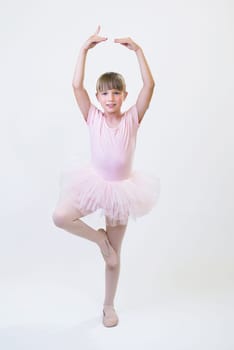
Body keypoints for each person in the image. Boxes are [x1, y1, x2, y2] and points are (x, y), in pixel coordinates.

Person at [52, 26, 160, 327]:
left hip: (123, 192)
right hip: (94, 185)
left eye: (116, 92)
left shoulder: (132, 118)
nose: (110, 97)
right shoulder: (93, 117)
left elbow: (149, 86)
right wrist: (84, 48)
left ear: (124, 95)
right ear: (98, 98)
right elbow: (76, 86)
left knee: (113, 258)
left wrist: (138, 50)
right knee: (61, 216)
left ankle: (108, 306)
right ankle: (99, 238)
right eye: (104, 92)